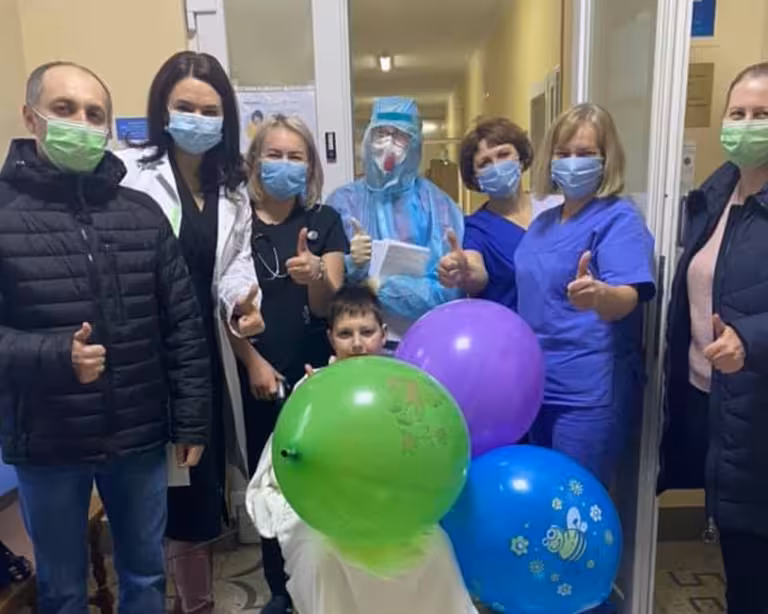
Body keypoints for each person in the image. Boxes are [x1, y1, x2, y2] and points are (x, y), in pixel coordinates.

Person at [0, 61, 211, 614]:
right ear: (31, 117)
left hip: (138, 435)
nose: (82, 123)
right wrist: (55, 355)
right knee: (62, 589)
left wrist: (192, 418)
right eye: (64, 109)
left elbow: (183, 323)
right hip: (47, 441)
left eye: (95, 114)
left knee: (145, 574)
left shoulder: (140, 213)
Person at [115, 51, 264, 614]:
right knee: (148, 489)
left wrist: (244, 305)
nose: (197, 120)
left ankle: (195, 603)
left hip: (202, 355)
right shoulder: (128, 172)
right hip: (143, 352)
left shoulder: (233, 188)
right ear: (162, 109)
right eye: (185, 107)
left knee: (196, 486)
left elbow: (235, 266)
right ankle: (151, 595)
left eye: (210, 111)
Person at [245, 284, 477, 614]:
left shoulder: (406, 386)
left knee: (435, 550)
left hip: (395, 503)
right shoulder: (311, 387)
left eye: (366, 332)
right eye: (345, 334)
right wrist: (317, 407)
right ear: (330, 338)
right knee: (323, 559)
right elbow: (289, 461)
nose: (357, 343)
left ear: (383, 334)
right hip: (327, 508)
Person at [661, 62, 768, 614]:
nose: (747, 125)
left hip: (758, 407)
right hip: (714, 401)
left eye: (762, 114)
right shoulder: (714, 195)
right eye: (738, 113)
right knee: (740, 558)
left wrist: (750, 338)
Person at [237, 114, 347, 614]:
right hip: (260, 374)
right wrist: (253, 362)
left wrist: (316, 274)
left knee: (323, 475)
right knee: (270, 484)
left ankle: (325, 580)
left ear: (310, 166)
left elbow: (330, 308)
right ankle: (280, 590)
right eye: (274, 154)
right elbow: (225, 303)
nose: (284, 164)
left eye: (295, 156)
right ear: (255, 161)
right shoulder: (237, 220)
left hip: (317, 375)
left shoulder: (324, 221)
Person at [514, 103, 656, 487]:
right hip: (537, 386)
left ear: (607, 160)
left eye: (585, 153)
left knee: (576, 499)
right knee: (545, 495)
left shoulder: (618, 218)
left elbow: (628, 296)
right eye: (563, 153)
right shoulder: (543, 223)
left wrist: (599, 295)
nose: (572, 163)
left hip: (588, 391)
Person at [327, 97, 464, 342]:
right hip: (359, 343)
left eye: (401, 136)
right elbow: (331, 289)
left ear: (416, 143)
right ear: (368, 138)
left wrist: (379, 286)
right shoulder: (344, 202)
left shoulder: (438, 205)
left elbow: (448, 292)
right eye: (381, 134)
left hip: (425, 339)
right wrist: (351, 264)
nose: (389, 145)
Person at [438, 117, 534, 310]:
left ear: (521, 158)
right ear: (475, 178)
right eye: (484, 163)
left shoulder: (554, 209)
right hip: (510, 327)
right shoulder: (476, 228)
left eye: (503, 154)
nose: (496, 166)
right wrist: (464, 271)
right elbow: (476, 273)